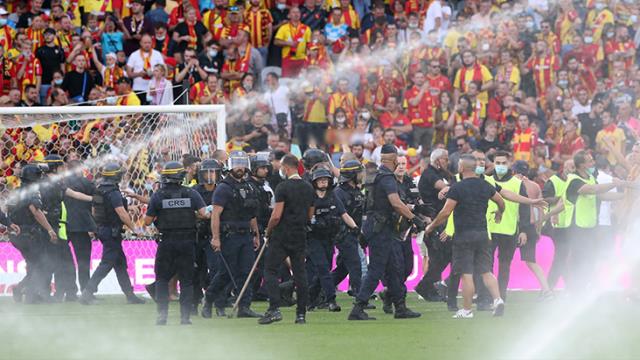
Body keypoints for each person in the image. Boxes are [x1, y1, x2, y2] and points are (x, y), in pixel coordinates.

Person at [348, 144, 426, 321]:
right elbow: (396, 203)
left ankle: (400, 307)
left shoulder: (375, 175)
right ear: (394, 159)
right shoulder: (387, 178)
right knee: (377, 269)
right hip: (382, 230)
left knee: (395, 268)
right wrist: (415, 219)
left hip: (378, 228)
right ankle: (358, 308)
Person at [425, 154, 506, 319]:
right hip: (483, 234)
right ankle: (497, 300)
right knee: (486, 271)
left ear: (461, 168)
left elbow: (446, 212)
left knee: (466, 274)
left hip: (464, 236)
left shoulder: (458, 187)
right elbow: (500, 200)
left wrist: (431, 226)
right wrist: (500, 212)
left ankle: (467, 310)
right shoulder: (485, 185)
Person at [144, 161, 208, 325]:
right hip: (187, 242)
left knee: (162, 279)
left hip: (166, 242)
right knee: (186, 280)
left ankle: (162, 316)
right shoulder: (191, 193)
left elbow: (147, 221)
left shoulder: (158, 195)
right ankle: (185, 318)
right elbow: (203, 213)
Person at [202, 151, 262, 318]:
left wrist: (256, 235)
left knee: (246, 272)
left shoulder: (249, 187)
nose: (240, 167)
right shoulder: (223, 188)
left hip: (246, 236)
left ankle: (244, 307)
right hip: (229, 236)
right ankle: (209, 299)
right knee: (226, 273)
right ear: (229, 166)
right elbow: (215, 215)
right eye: (236, 164)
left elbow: (252, 214)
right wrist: (216, 238)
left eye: (242, 164)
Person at [259, 154, 315, 325]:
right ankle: (301, 314)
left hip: (282, 234)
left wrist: (268, 231)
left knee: (270, 270)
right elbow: (310, 214)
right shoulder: (308, 188)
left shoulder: (282, 187)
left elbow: (276, 216)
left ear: (286, 167)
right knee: (300, 273)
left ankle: (274, 309)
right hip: (300, 234)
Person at [80, 163, 145, 305]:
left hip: (103, 229)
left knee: (120, 263)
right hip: (111, 231)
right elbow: (121, 212)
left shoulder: (99, 190)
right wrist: (134, 229)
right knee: (107, 263)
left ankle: (130, 295)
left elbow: (95, 210)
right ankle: (87, 292)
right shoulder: (113, 192)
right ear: (116, 176)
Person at [306, 167, 358, 311]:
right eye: (320, 180)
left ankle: (310, 297)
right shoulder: (310, 199)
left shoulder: (333, 197)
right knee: (322, 268)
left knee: (325, 270)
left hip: (329, 238)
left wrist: (354, 228)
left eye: (325, 180)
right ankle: (331, 300)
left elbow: (344, 214)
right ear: (314, 182)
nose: (323, 183)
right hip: (313, 238)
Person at [7, 164, 57, 303]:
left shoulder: (16, 191)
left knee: (34, 264)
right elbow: (36, 212)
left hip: (16, 235)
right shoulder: (33, 192)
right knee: (42, 264)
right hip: (29, 234)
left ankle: (27, 292)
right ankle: (27, 293)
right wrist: (50, 229)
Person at [415, 148, 452, 301]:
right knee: (441, 256)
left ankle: (430, 288)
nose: (447, 162)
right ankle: (426, 286)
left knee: (440, 257)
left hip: (437, 220)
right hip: (433, 221)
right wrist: (449, 188)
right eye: (445, 159)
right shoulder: (430, 175)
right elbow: (443, 187)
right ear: (438, 161)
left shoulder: (438, 174)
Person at [191, 159, 222, 314]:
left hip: (214, 235)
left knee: (216, 269)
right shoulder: (194, 190)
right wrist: (203, 215)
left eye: (213, 171)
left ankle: (217, 303)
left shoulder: (222, 190)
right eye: (207, 172)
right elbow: (190, 212)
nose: (210, 175)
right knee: (196, 271)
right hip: (197, 235)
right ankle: (194, 303)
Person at [332, 159, 365, 297]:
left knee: (344, 268)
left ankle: (318, 289)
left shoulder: (356, 191)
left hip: (354, 233)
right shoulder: (340, 192)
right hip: (344, 234)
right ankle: (359, 295)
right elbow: (340, 215)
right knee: (355, 264)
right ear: (353, 175)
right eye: (359, 172)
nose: (362, 175)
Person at [64, 160, 97, 293]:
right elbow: (97, 201)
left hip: (63, 226)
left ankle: (68, 291)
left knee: (63, 261)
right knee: (83, 261)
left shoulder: (61, 183)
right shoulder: (86, 183)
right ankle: (86, 291)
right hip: (82, 225)